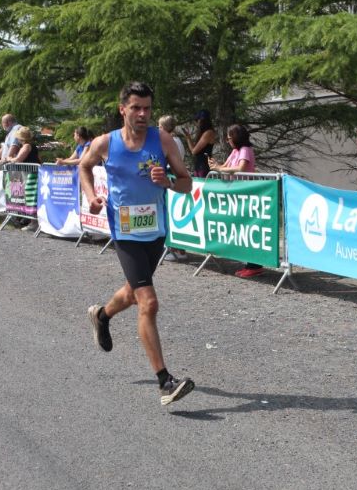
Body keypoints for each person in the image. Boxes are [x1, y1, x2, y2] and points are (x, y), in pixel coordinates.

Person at [80, 81, 195, 406]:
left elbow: (186, 184)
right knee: (148, 302)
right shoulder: (106, 143)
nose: (143, 114)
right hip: (125, 232)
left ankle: (102, 315)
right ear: (123, 110)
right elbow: (84, 166)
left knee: (133, 292)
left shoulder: (162, 140)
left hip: (155, 231)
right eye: (136, 108)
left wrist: (168, 182)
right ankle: (165, 382)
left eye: (147, 108)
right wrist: (91, 197)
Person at [209, 125, 262, 279]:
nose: (228, 141)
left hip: (246, 192)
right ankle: (249, 263)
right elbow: (225, 167)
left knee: (248, 228)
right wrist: (215, 166)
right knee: (240, 228)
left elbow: (241, 168)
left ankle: (254, 265)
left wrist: (219, 169)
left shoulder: (245, 149)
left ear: (236, 137)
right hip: (237, 193)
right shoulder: (235, 151)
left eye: (229, 138)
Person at [158, 115, 188, 262]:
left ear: (164, 127)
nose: (158, 128)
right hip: (174, 175)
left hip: (172, 177)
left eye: (159, 126)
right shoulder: (176, 139)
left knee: (171, 214)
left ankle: (177, 249)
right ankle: (174, 248)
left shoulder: (169, 140)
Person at [183, 109, 216, 177]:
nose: (197, 123)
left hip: (203, 166)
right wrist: (188, 137)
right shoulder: (204, 132)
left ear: (202, 121)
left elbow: (194, 151)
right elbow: (193, 150)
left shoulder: (208, 133)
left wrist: (188, 138)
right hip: (199, 165)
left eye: (197, 120)